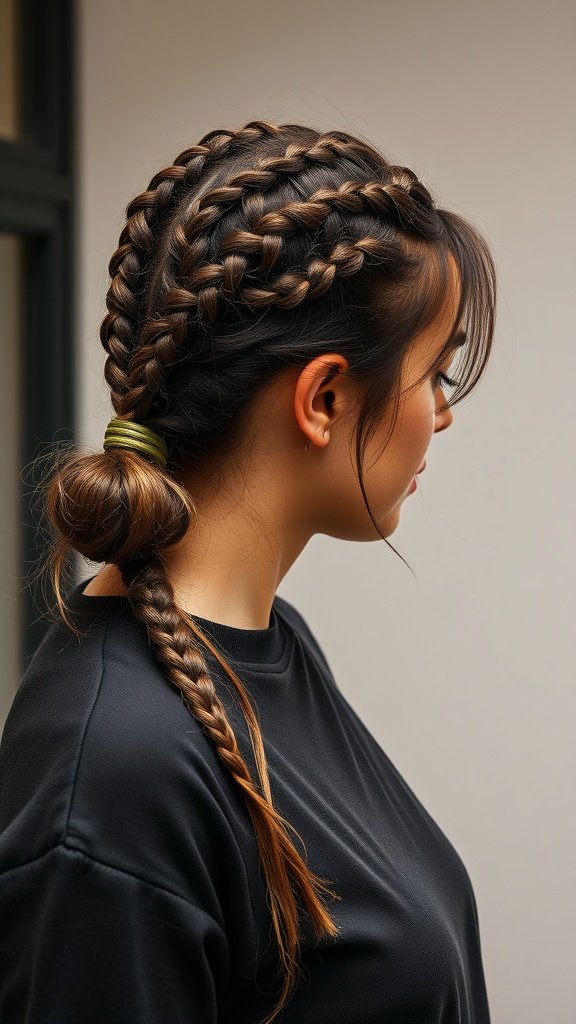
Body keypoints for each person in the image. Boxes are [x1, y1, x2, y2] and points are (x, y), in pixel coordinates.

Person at [0, 119, 496, 1023]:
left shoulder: (268, 644)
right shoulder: (114, 775)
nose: (442, 414)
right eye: (436, 373)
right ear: (326, 399)